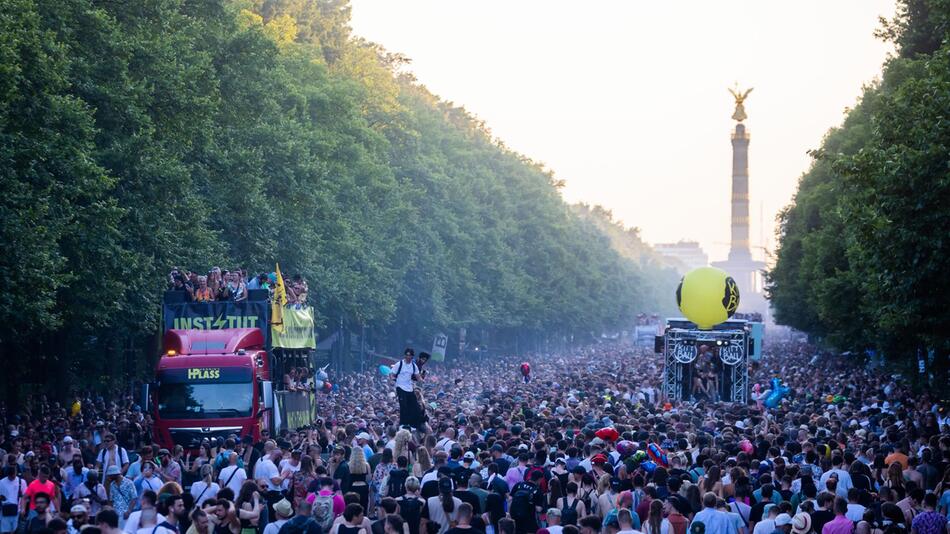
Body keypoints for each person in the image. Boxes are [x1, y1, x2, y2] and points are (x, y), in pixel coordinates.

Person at [392, 349, 423, 429]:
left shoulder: (413, 366)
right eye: (407, 355)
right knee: (403, 406)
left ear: (412, 356)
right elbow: (392, 374)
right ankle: (403, 424)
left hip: (409, 388)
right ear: (405, 355)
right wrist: (392, 380)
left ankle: (413, 424)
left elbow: (418, 376)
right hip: (400, 387)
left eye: (410, 355)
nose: (408, 357)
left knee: (415, 406)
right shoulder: (399, 364)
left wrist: (421, 381)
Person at [0, 465, 26, 534]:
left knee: (16, 531)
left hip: (17, 511)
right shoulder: (1, 482)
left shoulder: (22, 482)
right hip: (5, 511)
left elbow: (24, 497)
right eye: (10, 476)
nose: (12, 477)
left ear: (16, 472)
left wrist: (23, 508)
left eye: (13, 475)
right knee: (5, 532)